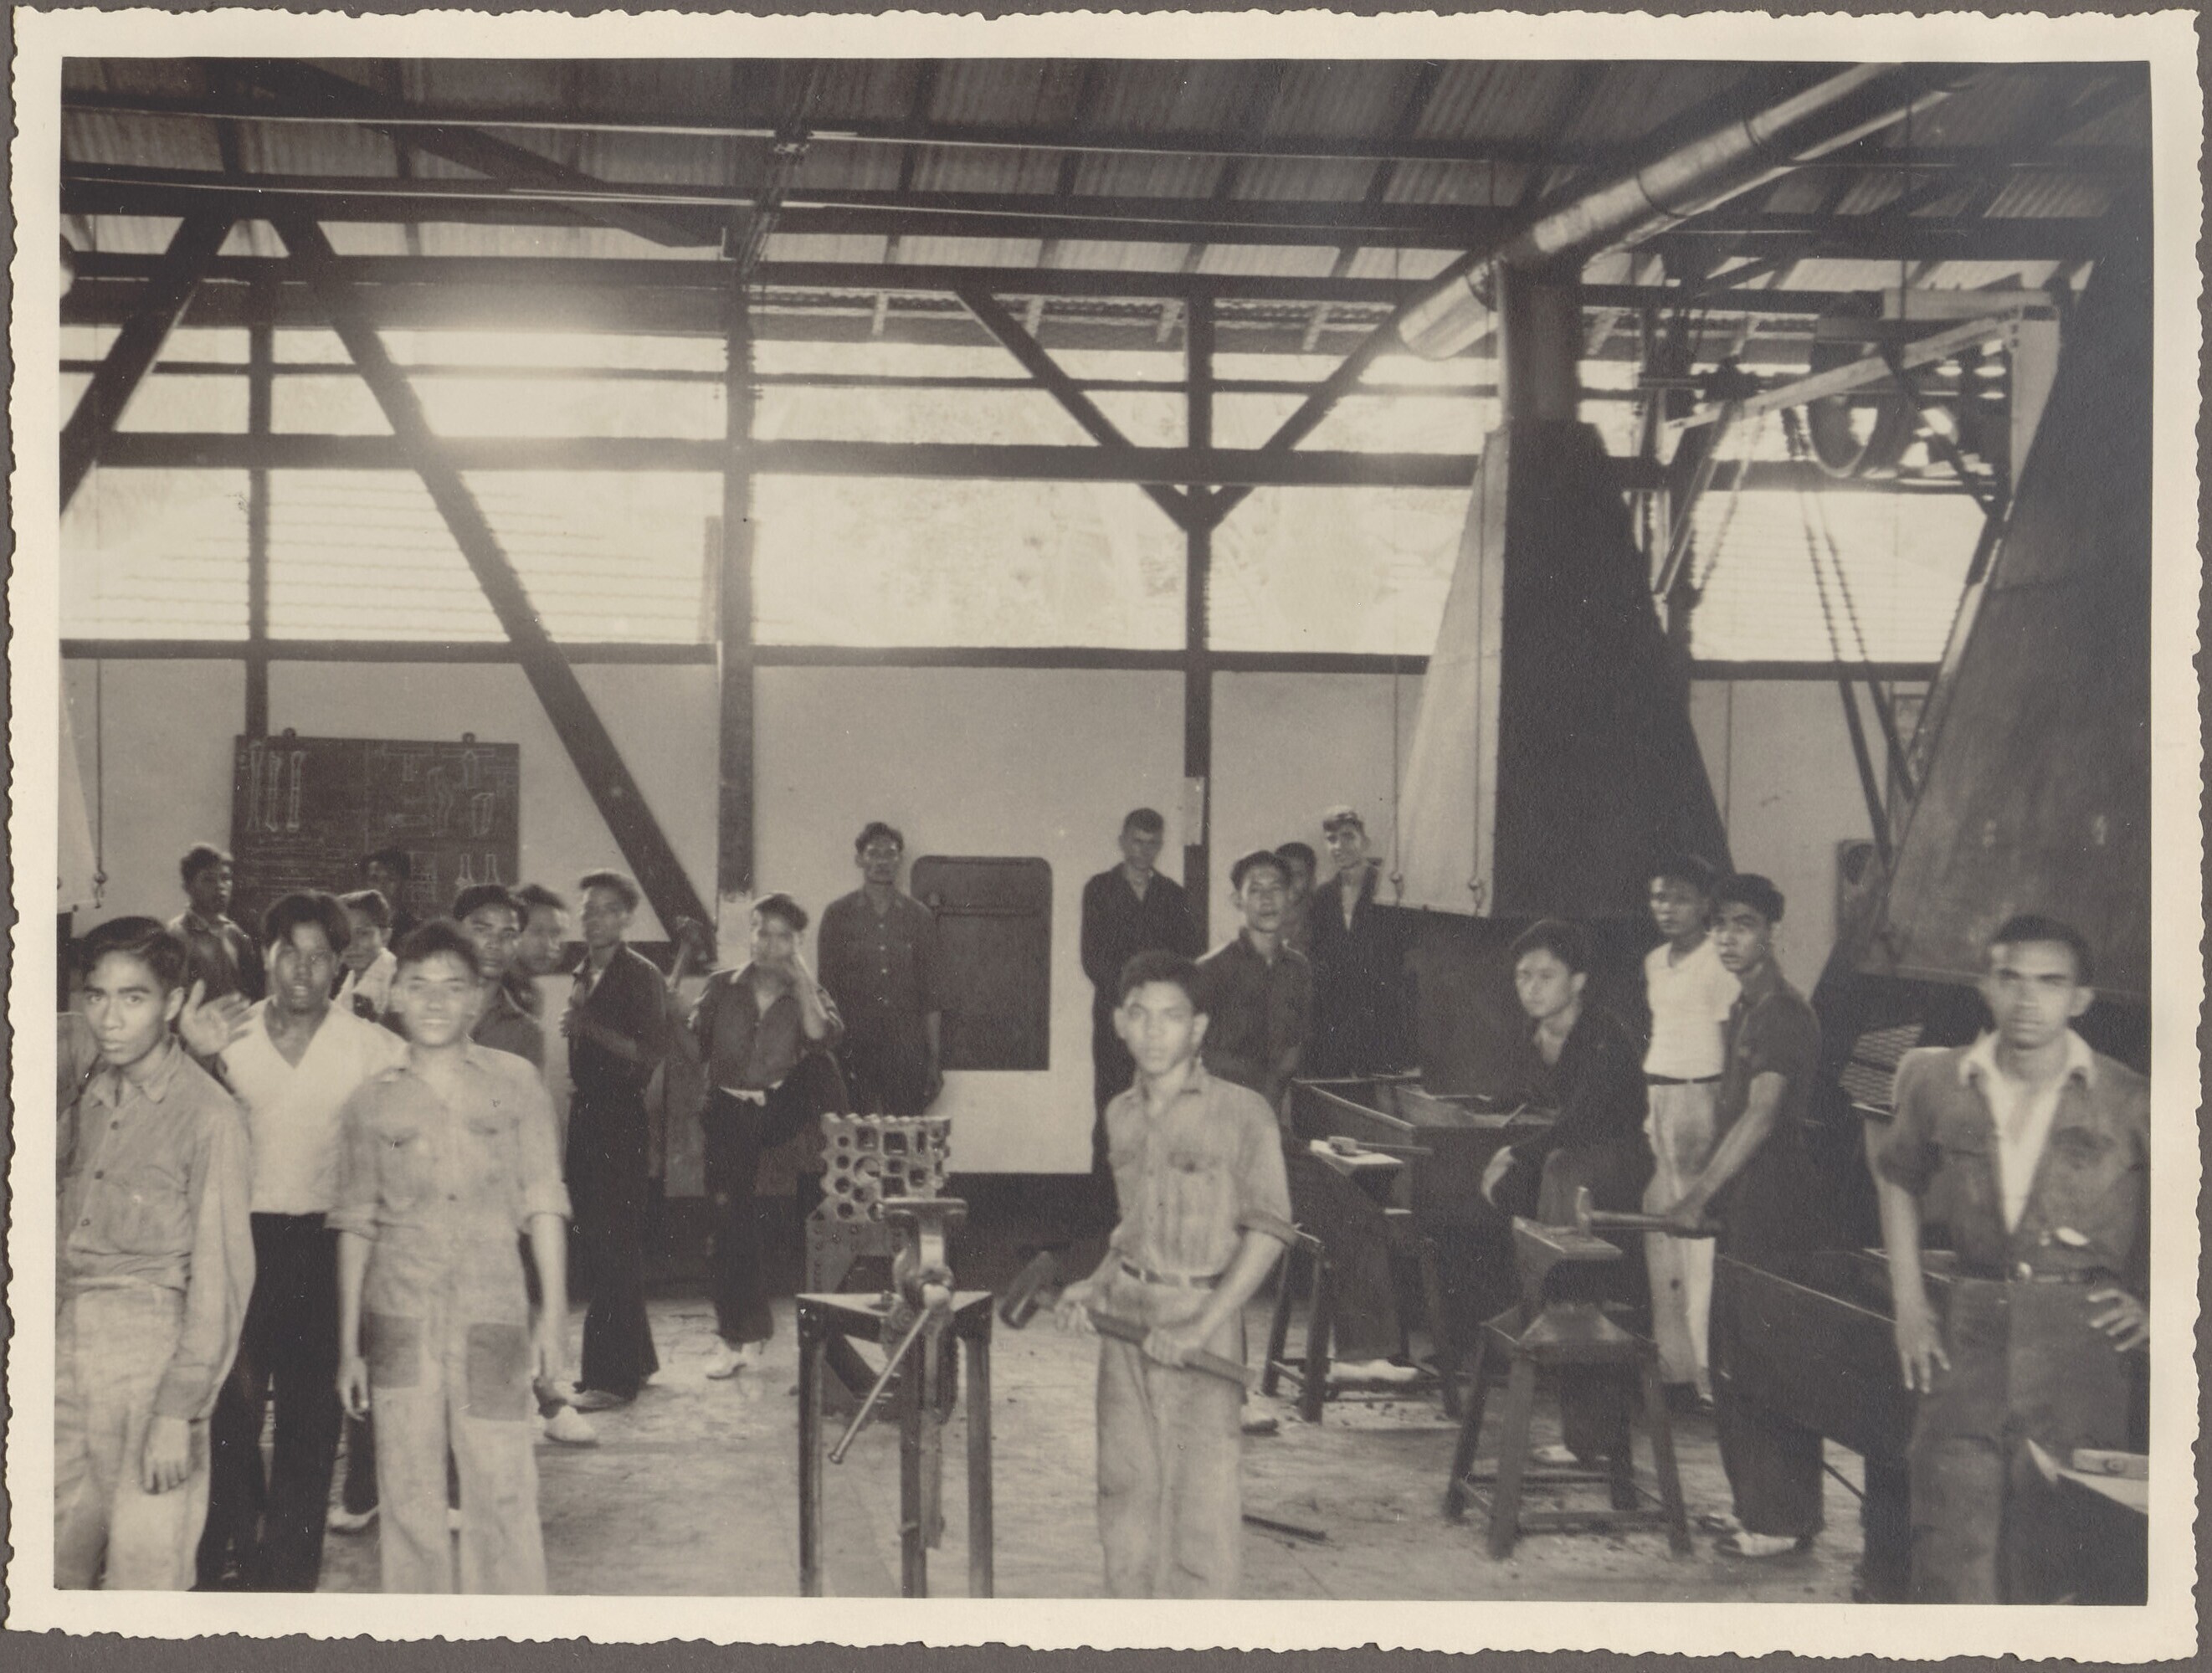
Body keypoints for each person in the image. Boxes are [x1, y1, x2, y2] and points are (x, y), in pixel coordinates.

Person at [1874, 915, 2148, 1604]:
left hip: (2079, 1346)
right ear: (1985, 986)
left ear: (2080, 998)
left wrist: (2159, 1302)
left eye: (2050, 983)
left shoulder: (2129, 1097)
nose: (2028, 1000)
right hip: (1967, 1333)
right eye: (2010, 979)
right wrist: (1908, 1302)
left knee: (2059, 1557)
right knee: (1951, 1543)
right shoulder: (1937, 1080)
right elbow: (1898, 1178)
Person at [331, 920, 572, 1593]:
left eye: (452, 986)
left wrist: (554, 1320)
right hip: (399, 1319)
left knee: (502, 1482)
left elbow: (544, 1202)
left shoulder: (517, 1082)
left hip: (493, 1314)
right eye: (419, 985)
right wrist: (349, 1346)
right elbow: (355, 1224)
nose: (435, 1001)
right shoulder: (369, 1101)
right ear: (395, 996)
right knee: (407, 1490)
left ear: (475, 998)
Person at [1052, 951, 1293, 1598]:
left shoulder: (1244, 1113)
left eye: (1172, 1016)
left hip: (1199, 1322)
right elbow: (1131, 1225)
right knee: (1124, 1492)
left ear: (1198, 1027)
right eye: (1139, 1014)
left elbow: (1270, 1231)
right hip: (1125, 1319)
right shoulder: (1119, 1113)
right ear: (1118, 1023)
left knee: (1200, 1508)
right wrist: (1095, 1282)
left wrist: (1201, 1327)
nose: (1154, 1031)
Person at [195, 890, 409, 1591]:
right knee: (229, 1410)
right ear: (265, 954)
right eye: (290, 951)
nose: (303, 969)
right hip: (241, 1239)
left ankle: (288, 1582)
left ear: (340, 964)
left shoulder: (370, 1046)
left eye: (320, 956)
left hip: (327, 1246)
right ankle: (237, 1552)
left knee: (311, 1422)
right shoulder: (227, 1035)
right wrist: (195, 1053)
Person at [56, 918, 254, 1589]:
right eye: (96, 995)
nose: (109, 1018)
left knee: (147, 1569)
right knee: (49, 1558)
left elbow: (221, 1281)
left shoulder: (209, 1115)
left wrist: (177, 1409)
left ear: (172, 1003)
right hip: (67, 1348)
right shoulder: (87, 1094)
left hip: (152, 1358)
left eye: (133, 997)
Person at [1657, 874, 1829, 1559]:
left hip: (1777, 1203)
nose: (1728, 937)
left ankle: (1780, 1520)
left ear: (1771, 931)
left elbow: (1761, 1115)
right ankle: (1754, 1506)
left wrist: (1698, 1193)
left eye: (1744, 924)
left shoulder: (1783, 1013)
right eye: (1720, 924)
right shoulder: (1746, 1007)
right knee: (1735, 1356)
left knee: (1766, 1359)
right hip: (1746, 1201)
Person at [1481, 918, 1653, 1467]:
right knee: (1557, 1280)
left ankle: (1590, 1437)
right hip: (1578, 1165)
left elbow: (1582, 1120)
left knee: (1580, 1295)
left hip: (1612, 1172)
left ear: (1577, 981)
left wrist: (1513, 1153)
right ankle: (1583, 1433)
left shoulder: (1603, 1035)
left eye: (1545, 975)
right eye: (1523, 975)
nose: (1531, 987)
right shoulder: (1545, 1031)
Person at [682, 894, 846, 1380]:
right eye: (762, 933)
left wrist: (801, 978)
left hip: (780, 1110)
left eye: (783, 937)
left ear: (797, 943)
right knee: (728, 1223)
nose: (769, 945)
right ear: (750, 934)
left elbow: (820, 1036)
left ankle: (839, 1154)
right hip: (728, 1109)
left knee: (822, 1065)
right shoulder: (721, 987)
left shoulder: (809, 992)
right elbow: (695, 1047)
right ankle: (737, 1338)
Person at [563, 870, 665, 1412]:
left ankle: (611, 1379)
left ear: (627, 917)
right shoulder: (585, 969)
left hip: (620, 1119)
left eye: (606, 909)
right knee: (604, 1241)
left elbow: (649, 1053)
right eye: (587, 909)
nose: (593, 918)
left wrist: (589, 1026)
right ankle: (638, 1359)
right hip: (586, 1116)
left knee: (612, 1245)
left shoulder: (641, 974)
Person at [1638, 854, 1737, 1404]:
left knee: (1698, 1236)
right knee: (1663, 1229)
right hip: (1660, 1097)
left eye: (1678, 897)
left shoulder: (1716, 962)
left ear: (1704, 905)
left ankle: (1707, 1374)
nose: (1666, 907)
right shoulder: (1655, 961)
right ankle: (1675, 1365)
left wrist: (1718, 1116)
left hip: (1701, 1098)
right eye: (1658, 896)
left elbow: (1729, 1044)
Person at [1080, 809, 1198, 1137]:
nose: (1144, 851)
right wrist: (1133, 999)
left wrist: (1161, 1000)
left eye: (1152, 843)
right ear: (1122, 842)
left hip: (1163, 1019)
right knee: (1113, 1108)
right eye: (1137, 841)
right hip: (1116, 1016)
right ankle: (1106, 1174)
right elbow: (1093, 959)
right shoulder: (1100, 889)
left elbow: (1187, 958)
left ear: (1160, 845)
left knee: (1163, 1105)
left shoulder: (1174, 895)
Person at [818, 823, 944, 1118]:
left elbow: (932, 995)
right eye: (873, 853)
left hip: (906, 1051)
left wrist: (934, 1060)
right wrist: (829, 1058)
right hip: (853, 1049)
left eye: (890, 854)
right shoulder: (838, 915)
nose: (882, 861)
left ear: (900, 860)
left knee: (905, 1135)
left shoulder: (919, 917)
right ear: (859, 860)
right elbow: (825, 993)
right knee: (855, 1134)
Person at [1194, 850, 1310, 1116]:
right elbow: (1198, 1054)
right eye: (1255, 890)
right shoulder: (1210, 969)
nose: (1267, 899)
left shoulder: (1299, 968)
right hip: (1219, 1112)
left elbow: (1296, 1046)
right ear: (1238, 900)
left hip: (1275, 1110)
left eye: (1276, 888)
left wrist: (1271, 1099)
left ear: (1290, 896)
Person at [1304, 807, 1409, 1078]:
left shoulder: (1389, 891)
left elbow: (1403, 959)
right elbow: (1317, 960)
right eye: (1331, 839)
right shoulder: (1323, 897)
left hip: (1384, 1020)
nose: (1339, 846)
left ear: (1365, 841)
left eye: (1348, 836)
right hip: (1337, 1024)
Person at [169, 844, 264, 1004]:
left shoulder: (237, 935)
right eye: (208, 879)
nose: (220, 886)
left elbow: (253, 993)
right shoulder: (176, 936)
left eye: (225, 878)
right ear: (188, 887)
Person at [334, 889, 398, 1022]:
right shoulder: (351, 979)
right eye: (344, 935)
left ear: (385, 936)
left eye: (363, 933)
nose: (352, 945)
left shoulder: (395, 981)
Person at [361, 849, 418, 945]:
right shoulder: (354, 927)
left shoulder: (415, 931)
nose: (381, 887)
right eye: (374, 879)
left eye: (391, 879)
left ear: (405, 884)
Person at [1273, 841, 1318, 958]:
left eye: (1298, 875)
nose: (1289, 881)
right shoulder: (1262, 925)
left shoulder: (1326, 926)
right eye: (1283, 874)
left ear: (1312, 882)